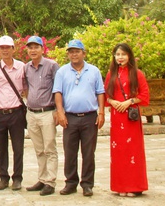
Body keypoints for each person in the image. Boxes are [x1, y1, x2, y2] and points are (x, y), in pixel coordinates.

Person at [53, 39, 106, 197]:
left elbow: (100, 92)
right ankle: (70, 183)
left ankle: (87, 184)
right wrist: (60, 112)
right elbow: (58, 92)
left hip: (90, 117)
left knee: (88, 153)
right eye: (71, 52)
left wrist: (101, 113)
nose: (74, 54)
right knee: (70, 152)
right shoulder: (62, 71)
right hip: (70, 117)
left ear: (84, 53)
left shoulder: (94, 71)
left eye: (77, 51)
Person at [105, 43, 149, 197]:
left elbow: (144, 95)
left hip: (131, 116)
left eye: (123, 54)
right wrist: (112, 102)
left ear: (129, 56)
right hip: (117, 117)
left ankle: (135, 186)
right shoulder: (111, 74)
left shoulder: (137, 73)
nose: (120, 57)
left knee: (133, 151)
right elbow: (105, 94)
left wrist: (128, 102)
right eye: (117, 54)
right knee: (119, 151)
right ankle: (120, 186)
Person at [0, 35, 27, 192]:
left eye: (7, 48)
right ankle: (3, 177)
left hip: (16, 112)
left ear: (13, 49)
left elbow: (25, 87)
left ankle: (17, 178)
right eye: (2, 48)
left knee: (18, 147)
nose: (5, 51)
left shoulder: (22, 67)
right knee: (1, 148)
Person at [23, 35, 59, 196]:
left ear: (42, 49)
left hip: (48, 112)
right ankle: (42, 178)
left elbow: (58, 89)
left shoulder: (52, 66)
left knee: (49, 148)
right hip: (32, 113)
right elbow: (27, 88)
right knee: (39, 149)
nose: (33, 50)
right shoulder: (27, 68)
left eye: (36, 47)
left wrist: (58, 110)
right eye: (30, 48)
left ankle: (50, 182)